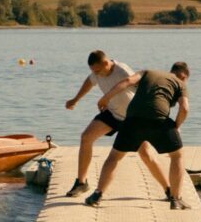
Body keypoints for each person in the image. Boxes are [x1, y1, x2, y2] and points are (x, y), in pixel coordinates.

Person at [85, 62, 191, 211]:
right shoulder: (180, 84)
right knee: (177, 155)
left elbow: (126, 82)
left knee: (115, 156)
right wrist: (175, 127)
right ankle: (175, 199)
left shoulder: (148, 72)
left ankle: (97, 195)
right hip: (159, 120)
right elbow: (184, 109)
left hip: (132, 119)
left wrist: (105, 98)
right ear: (184, 77)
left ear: (171, 70)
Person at [64, 50, 170, 198]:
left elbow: (142, 89)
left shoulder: (122, 71)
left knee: (146, 154)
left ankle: (168, 189)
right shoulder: (97, 72)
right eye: (94, 72)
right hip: (113, 114)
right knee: (86, 137)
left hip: (133, 119)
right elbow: (89, 82)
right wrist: (75, 99)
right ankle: (81, 183)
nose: (97, 74)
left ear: (106, 63)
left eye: (98, 71)